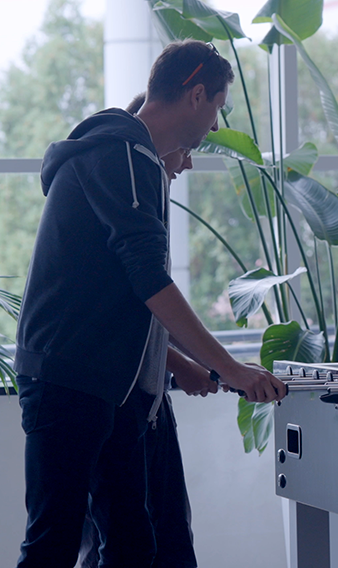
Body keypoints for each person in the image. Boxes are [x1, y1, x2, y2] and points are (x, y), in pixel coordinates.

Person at [15, 39, 287, 567]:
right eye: (215, 109)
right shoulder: (122, 153)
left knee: (135, 546)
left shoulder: (131, 156)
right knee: (52, 544)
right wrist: (227, 367)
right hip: (70, 382)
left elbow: (120, 294)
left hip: (110, 388)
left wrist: (181, 365)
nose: (213, 127)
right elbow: (149, 281)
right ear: (196, 93)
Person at [77, 131, 216, 568]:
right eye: (186, 150)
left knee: (166, 541)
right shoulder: (124, 193)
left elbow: (150, 314)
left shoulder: (150, 206)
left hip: (150, 403)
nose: (188, 164)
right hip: (115, 402)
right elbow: (141, 299)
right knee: (119, 545)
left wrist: (187, 365)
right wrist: (215, 367)